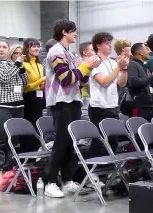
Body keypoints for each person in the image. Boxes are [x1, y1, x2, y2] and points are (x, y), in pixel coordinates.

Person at [44, 19, 101, 198]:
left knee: (71, 143)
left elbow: (79, 81)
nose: (76, 34)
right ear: (64, 32)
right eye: (73, 31)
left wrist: (89, 70)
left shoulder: (69, 53)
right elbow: (66, 78)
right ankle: (50, 182)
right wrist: (85, 66)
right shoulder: (56, 52)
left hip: (73, 99)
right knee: (60, 143)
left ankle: (67, 180)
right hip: (61, 102)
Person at [0, 39, 27, 187]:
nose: (2, 49)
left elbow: (24, 82)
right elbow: (4, 78)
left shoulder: (12, 64)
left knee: (14, 142)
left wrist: (22, 69)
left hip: (17, 107)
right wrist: (16, 65)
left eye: (4, 47)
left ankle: (10, 173)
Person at [21, 38, 46, 153]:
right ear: (27, 48)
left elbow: (40, 85)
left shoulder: (40, 65)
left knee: (37, 126)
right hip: (28, 99)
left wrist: (44, 83)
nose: (37, 48)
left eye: (38, 46)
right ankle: (27, 153)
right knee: (29, 126)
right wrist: (41, 80)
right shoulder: (23, 64)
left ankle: (36, 154)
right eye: (33, 46)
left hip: (39, 98)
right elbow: (25, 87)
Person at [127, 42, 153, 121]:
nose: (149, 51)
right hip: (139, 106)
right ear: (140, 53)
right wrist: (152, 77)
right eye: (146, 49)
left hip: (150, 106)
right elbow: (133, 82)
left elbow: (149, 84)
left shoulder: (144, 66)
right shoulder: (132, 64)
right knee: (139, 130)